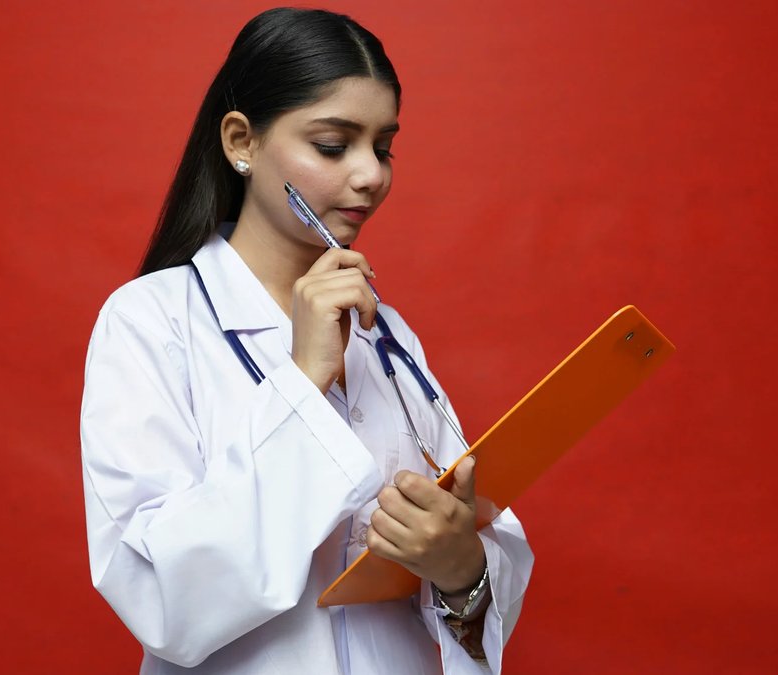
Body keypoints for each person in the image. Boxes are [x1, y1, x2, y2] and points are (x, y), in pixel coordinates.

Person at [80, 8, 533, 674]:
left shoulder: (388, 336)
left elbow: (475, 546)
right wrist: (302, 379)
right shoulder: (150, 321)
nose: (371, 174)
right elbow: (162, 601)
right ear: (242, 141)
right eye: (332, 144)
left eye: (383, 147)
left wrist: (460, 567)